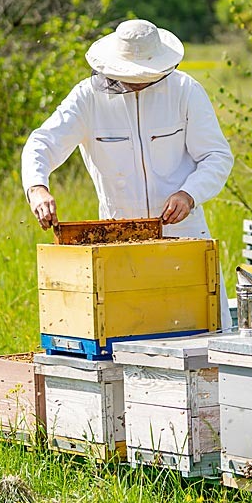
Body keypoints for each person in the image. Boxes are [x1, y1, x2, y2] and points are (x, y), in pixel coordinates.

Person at [21, 19, 234, 329]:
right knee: (130, 337)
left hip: (184, 234)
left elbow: (216, 156)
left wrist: (189, 194)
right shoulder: (87, 98)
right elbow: (42, 143)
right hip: (119, 240)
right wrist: (37, 187)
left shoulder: (185, 91)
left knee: (201, 337)